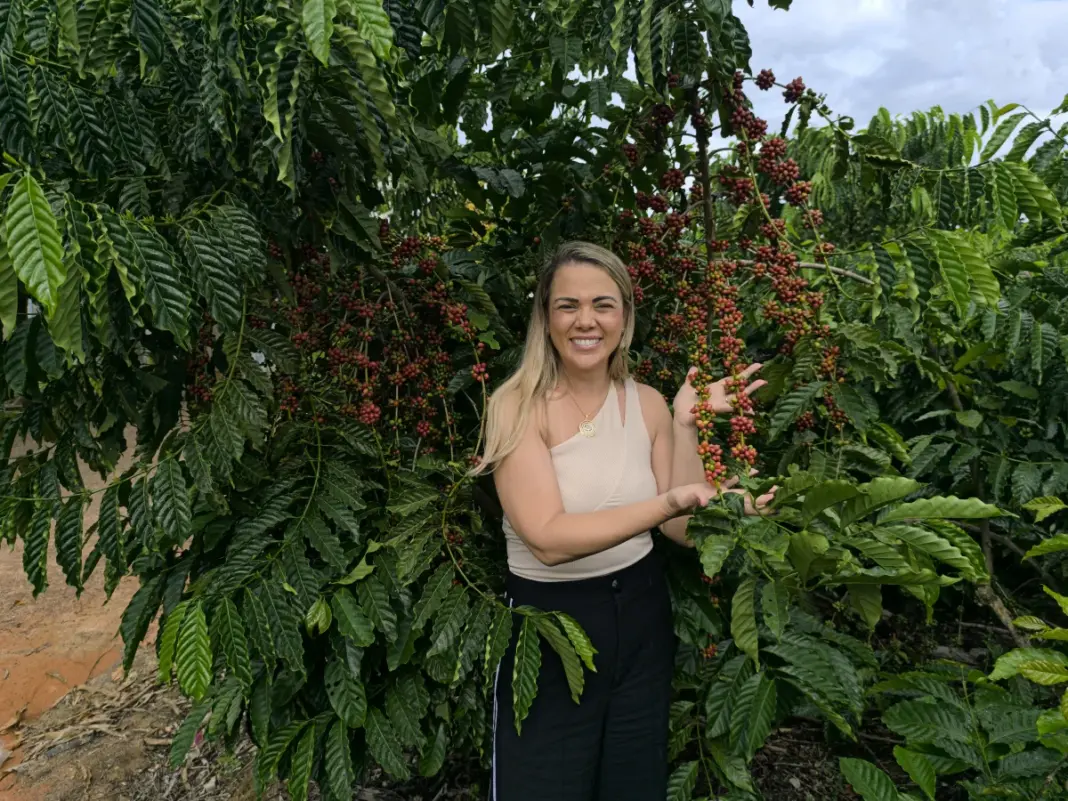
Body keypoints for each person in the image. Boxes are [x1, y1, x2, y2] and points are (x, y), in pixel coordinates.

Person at [473, 241, 775, 801]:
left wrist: (686, 426)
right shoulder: (515, 406)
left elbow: (680, 530)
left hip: (640, 612)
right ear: (545, 317)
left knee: (632, 783)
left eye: (603, 305)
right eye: (567, 305)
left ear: (626, 317)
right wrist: (668, 502)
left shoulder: (649, 404)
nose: (585, 320)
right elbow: (547, 540)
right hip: (550, 623)